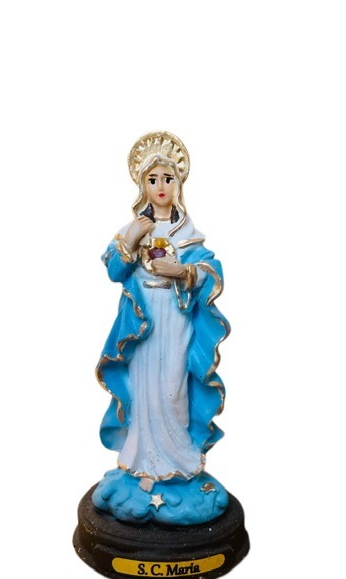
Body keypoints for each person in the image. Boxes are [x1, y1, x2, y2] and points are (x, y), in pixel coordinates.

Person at [92, 132, 230, 524]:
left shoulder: (189, 235)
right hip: (143, 324)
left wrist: (182, 271)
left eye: (167, 178)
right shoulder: (136, 227)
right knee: (144, 389)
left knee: (172, 389)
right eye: (152, 179)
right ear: (143, 185)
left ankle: (180, 462)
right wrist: (130, 239)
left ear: (178, 183)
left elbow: (211, 271)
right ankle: (143, 464)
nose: (161, 186)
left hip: (176, 318)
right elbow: (115, 270)